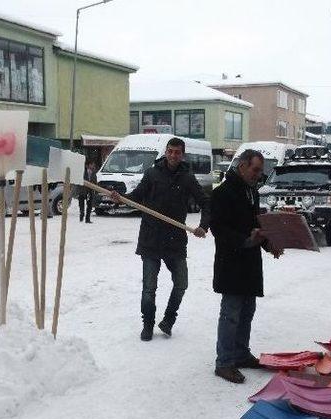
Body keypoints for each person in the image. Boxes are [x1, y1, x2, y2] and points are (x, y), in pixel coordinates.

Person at [110, 137, 210, 341]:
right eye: (170, 151)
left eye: (177, 152)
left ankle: (168, 320)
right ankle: (147, 325)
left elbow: (206, 204)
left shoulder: (187, 178)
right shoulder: (152, 173)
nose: (173, 155)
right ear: (166, 152)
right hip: (151, 238)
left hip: (175, 239)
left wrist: (203, 226)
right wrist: (121, 197)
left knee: (181, 283)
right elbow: (136, 196)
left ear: (183, 154)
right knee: (149, 288)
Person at [210, 149, 283, 384]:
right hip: (231, 261)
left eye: (260, 171)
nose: (258, 175)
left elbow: (255, 224)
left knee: (247, 312)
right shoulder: (222, 193)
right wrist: (245, 241)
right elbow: (218, 229)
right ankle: (224, 362)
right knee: (230, 314)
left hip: (250, 262)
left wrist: (269, 244)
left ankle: (240, 354)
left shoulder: (251, 192)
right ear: (242, 166)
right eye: (255, 170)